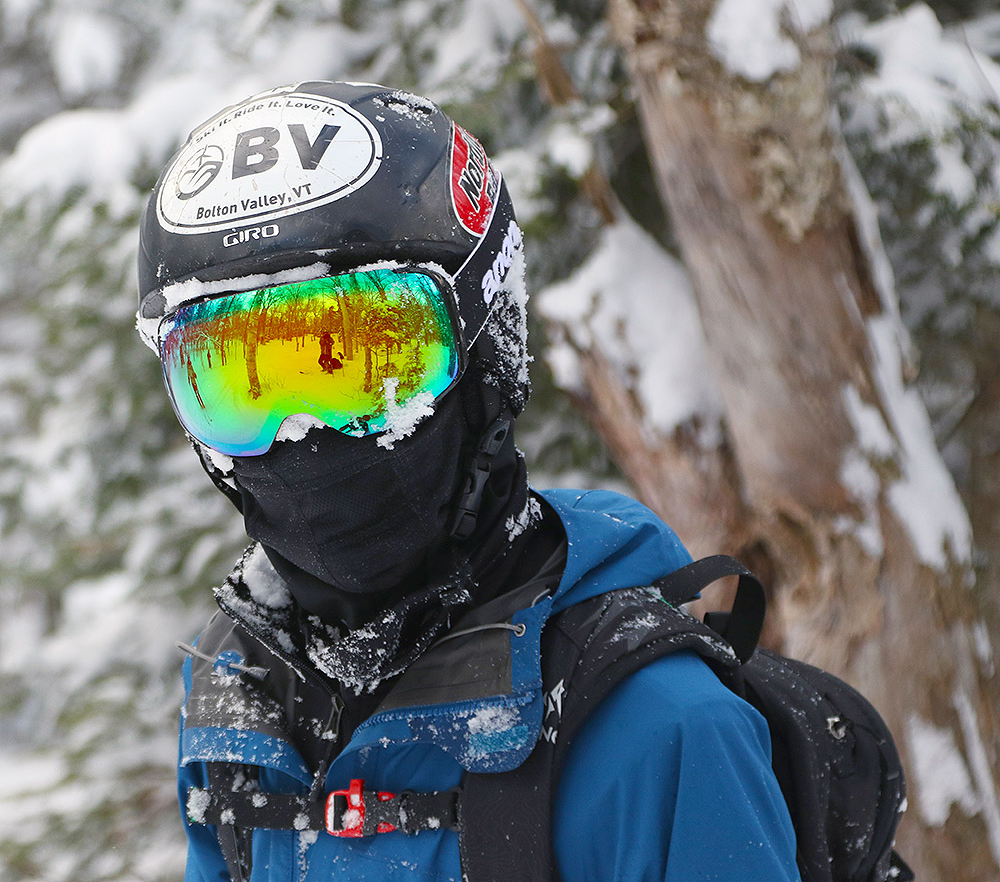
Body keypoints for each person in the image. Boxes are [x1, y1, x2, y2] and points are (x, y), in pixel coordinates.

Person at [137, 80, 799, 881]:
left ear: (486, 354)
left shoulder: (658, 731)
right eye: (237, 383)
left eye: (365, 363)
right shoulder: (236, 697)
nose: (301, 432)